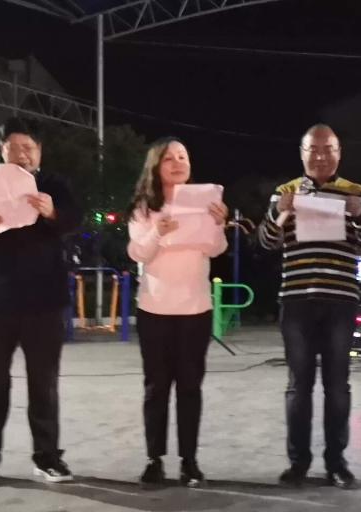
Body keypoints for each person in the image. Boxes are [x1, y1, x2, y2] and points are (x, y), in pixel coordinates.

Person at [256, 124, 361, 489]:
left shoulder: (356, 192)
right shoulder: (285, 192)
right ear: (302, 153)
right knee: (299, 385)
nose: (321, 156)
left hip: (340, 300)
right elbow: (266, 241)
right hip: (296, 300)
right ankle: (298, 462)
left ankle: (336, 462)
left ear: (339, 153)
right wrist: (280, 213)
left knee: (337, 385)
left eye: (329, 149)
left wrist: (359, 214)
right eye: (314, 149)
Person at [0, 117, 82, 489]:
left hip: (45, 299)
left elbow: (74, 221)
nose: (22, 154)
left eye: (29, 147)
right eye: (14, 148)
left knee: (43, 384)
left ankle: (48, 458)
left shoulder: (53, 185)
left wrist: (53, 212)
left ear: (39, 151)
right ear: (2, 150)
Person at [126, 137, 228, 489]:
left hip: (195, 309)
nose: (177, 163)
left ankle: (189, 462)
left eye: (183, 156)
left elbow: (215, 248)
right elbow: (138, 253)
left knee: (190, 387)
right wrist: (158, 231)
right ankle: (154, 460)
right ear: (156, 166)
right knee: (156, 387)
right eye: (169, 158)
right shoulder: (144, 207)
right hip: (154, 308)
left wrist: (219, 223)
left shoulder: (205, 203)